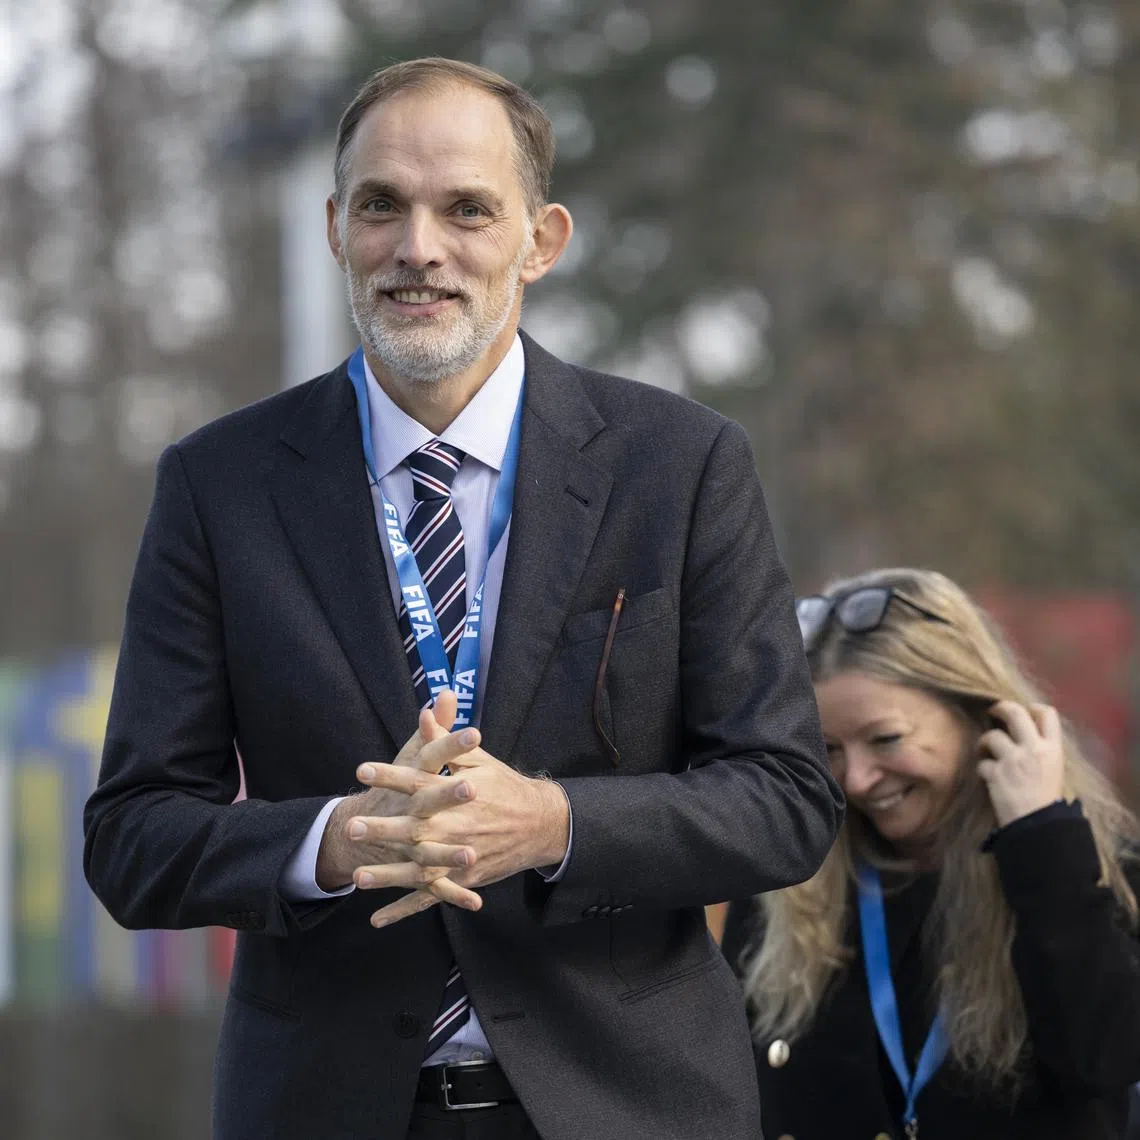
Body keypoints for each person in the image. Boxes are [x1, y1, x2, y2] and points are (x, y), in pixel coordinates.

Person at [83, 57, 842, 1140]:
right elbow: (133, 837)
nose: (418, 247)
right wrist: (329, 842)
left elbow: (786, 800)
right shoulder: (219, 486)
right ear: (337, 227)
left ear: (542, 240)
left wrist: (552, 823)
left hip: (630, 1106)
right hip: (326, 1108)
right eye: (382, 206)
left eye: (467, 209)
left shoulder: (681, 466)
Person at [721, 566, 1140, 1140]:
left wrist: (1041, 839)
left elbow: (1104, 1060)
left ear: (980, 717)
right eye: (829, 749)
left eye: (886, 739)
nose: (858, 780)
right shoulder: (791, 881)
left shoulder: (1092, 868)